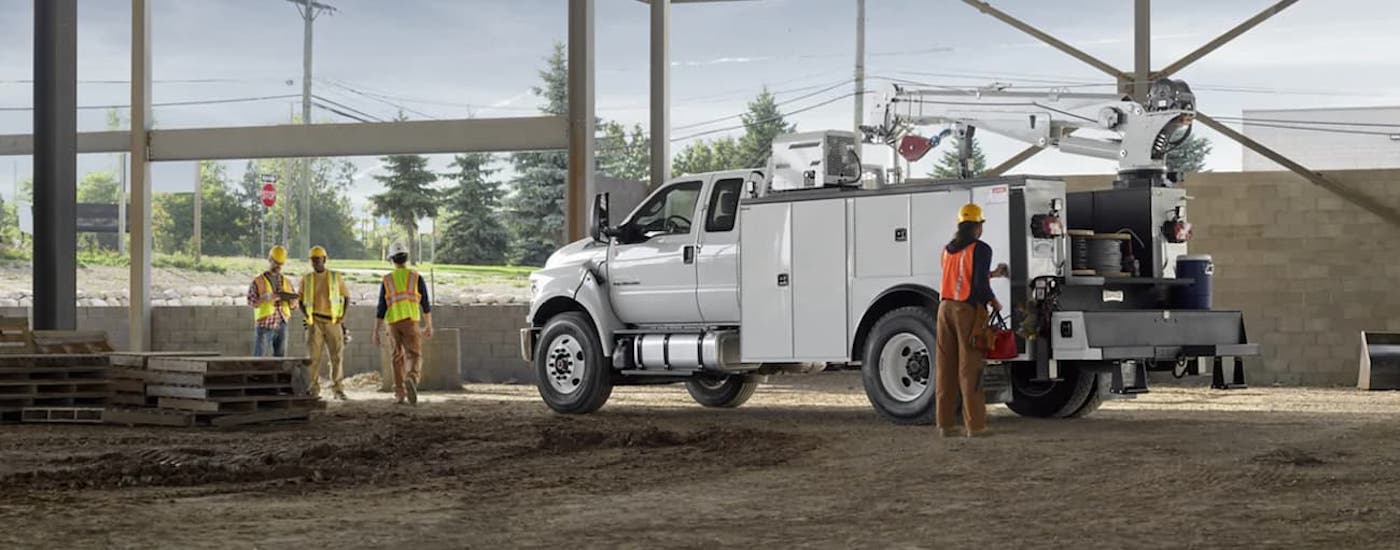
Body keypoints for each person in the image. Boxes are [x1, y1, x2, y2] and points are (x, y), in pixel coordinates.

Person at [936, 203, 1008, 438]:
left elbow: (962, 275)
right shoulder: (981, 248)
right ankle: (975, 426)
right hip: (965, 311)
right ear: (978, 226)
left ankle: (945, 425)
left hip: (944, 309)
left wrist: (993, 274)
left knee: (946, 368)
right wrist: (994, 301)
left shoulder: (948, 249)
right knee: (970, 369)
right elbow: (978, 285)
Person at [373, 241, 434, 405]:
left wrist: (376, 331)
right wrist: (429, 325)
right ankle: (412, 379)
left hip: (392, 323)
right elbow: (425, 304)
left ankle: (400, 393)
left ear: (391, 259)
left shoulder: (387, 280)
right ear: (406, 258)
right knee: (414, 354)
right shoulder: (416, 277)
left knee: (396, 357)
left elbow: (381, 307)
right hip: (410, 321)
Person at [300, 245, 351, 400]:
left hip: (333, 322)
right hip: (314, 321)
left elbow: (347, 297)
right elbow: (300, 300)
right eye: (313, 260)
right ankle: (313, 388)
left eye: (318, 259)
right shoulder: (307, 279)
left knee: (336, 357)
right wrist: (307, 317)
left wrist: (342, 317)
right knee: (313, 357)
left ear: (324, 259)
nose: (316, 262)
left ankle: (338, 389)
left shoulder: (336, 277)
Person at [247, 245, 299, 357]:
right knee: (259, 360)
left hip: (282, 324)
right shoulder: (258, 281)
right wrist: (265, 297)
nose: (278, 266)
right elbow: (252, 302)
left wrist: (293, 301)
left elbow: (294, 306)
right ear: (270, 259)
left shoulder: (286, 281)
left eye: (280, 264)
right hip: (265, 325)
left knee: (281, 361)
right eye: (276, 262)